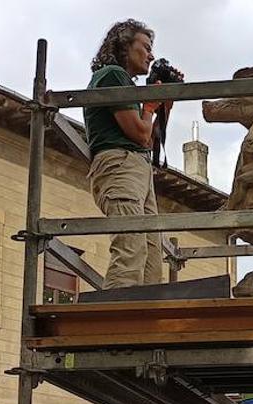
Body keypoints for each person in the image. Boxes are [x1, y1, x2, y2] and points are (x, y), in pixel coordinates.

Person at [84, 19, 175, 288]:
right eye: (145, 46)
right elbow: (140, 133)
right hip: (120, 163)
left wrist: (164, 100)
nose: (151, 54)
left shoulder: (125, 85)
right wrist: (148, 105)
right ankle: (113, 323)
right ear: (125, 45)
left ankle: (142, 323)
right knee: (131, 248)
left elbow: (148, 138)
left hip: (136, 166)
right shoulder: (112, 75)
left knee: (151, 258)